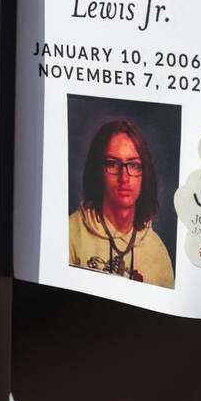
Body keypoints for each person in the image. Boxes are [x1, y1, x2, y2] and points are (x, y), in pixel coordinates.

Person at [69, 118, 175, 288]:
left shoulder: (157, 251)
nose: (124, 177)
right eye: (112, 163)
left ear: (144, 173)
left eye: (133, 165)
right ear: (98, 170)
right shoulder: (71, 234)